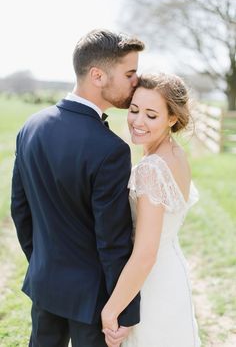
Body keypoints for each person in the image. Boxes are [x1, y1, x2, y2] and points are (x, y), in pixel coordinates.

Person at [11, 29, 145, 347]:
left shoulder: (31, 127)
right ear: (97, 75)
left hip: (45, 282)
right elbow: (112, 241)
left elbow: (20, 210)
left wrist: (43, 261)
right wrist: (123, 312)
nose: (136, 81)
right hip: (93, 298)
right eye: (130, 73)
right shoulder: (109, 148)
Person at [101, 73, 201, 347]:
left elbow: (145, 254)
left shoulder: (152, 168)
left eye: (151, 115)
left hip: (151, 283)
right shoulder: (175, 154)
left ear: (172, 118)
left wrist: (111, 310)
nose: (138, 121)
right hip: (171, 271)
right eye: (134, 110)